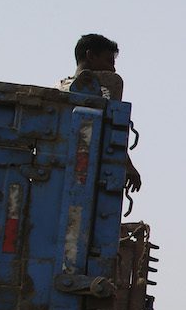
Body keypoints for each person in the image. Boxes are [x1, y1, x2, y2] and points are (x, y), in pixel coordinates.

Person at [57, 33, 141, 192]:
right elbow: (111, 130)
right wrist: (128, 166)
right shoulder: (102, 91)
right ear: (90, 56)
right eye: (109, 61)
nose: (113, 69)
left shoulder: (58, 88)